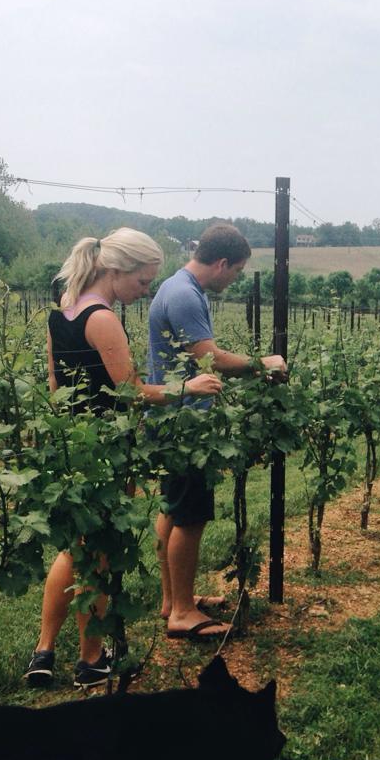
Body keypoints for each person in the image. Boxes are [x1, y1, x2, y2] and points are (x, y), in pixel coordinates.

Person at [25, 229, 222, 687]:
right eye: (143, 281)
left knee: (72, 550)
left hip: (74, 445)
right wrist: (185, 388)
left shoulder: (62, 314)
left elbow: (58, 390)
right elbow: (131, 391)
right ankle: (92, 661)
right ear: (116, 270)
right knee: (99, 555)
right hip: (107, 449)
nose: (146, 291)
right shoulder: (103, 319)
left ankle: (44, 650)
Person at [147, 223, 286, 641]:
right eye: (237, 271)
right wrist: (264, 365)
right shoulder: (187, 295)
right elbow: (212, 359)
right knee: (190, 517)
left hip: (173, 418)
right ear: (222, 263)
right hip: (186, 422)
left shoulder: (177, 286)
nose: (236, 279)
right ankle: (184, 613)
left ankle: (174, 601)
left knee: (173, 510)